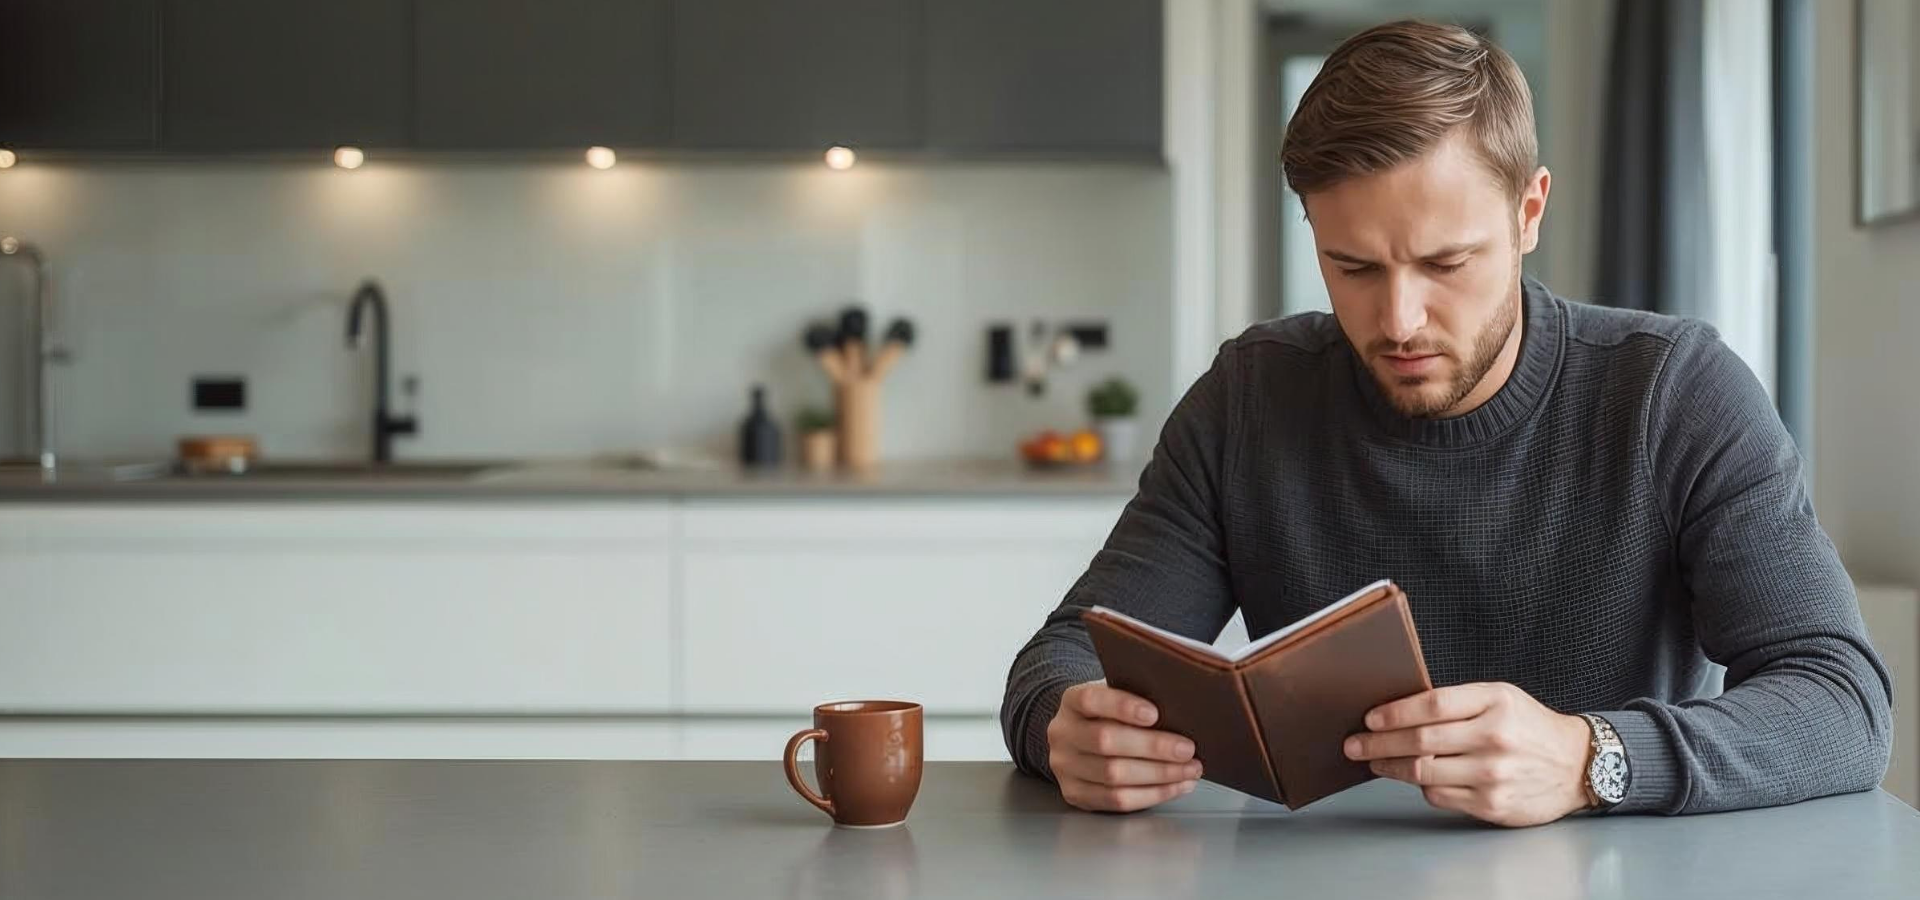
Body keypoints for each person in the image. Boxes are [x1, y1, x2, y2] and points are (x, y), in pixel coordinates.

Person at [1001, 19, 1891, 826]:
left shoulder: (1677, 393)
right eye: (1351, 267)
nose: (1397, 320)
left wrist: (1592, 759)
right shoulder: (1251, 399)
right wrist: (1064, 726)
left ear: (1528, 212)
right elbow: (1065, 654)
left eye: (1446, 262)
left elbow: (1844, 703)